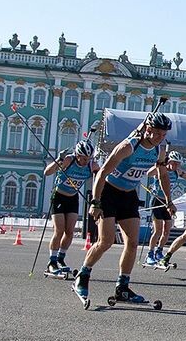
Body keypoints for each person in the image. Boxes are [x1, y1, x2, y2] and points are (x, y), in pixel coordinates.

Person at [74, 113, 172, 305]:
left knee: (133, 243)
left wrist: (168, 199)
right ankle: (83, 276)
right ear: (148, 129)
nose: (161, 138)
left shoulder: (159, 150)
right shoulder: (128, 146)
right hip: (109, 193)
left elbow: (162, 174)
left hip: (128, 196)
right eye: (157, 133)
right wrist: (95, 202)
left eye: (164, 134)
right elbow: (102, 173)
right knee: (106, 241)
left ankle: (122, 287)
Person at [42, 140, 99, 276]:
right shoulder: (69, 160)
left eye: (89, 158)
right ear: (77, 155)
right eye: (84, 158)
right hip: (59, 197)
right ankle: (52, 261)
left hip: (73, 198)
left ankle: (61, 258)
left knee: (70, 231)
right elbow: (47, 172)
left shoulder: (92, 165)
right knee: (59, 230)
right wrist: (59, 160)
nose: (86, 161)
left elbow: (100, 178)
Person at [142, 152, 186, 265]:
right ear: (169, 161)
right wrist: (158, 164)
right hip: (157, 200)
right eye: (174, 163)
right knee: (158, 230)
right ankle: (150, 254)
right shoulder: (162, 169)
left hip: (168, 203)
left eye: (178, 164)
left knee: (167, 230)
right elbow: (149, 173)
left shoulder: (177, 171)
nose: (176, 166)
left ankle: (159, 251)